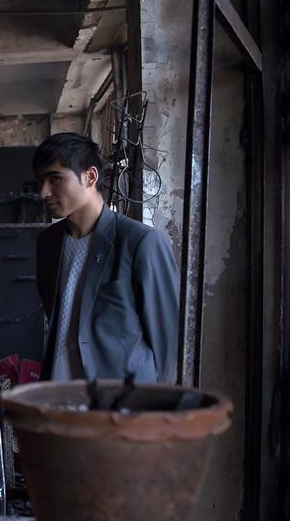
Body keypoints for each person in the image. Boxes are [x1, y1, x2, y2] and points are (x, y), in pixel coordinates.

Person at [32, 133, 180, 383]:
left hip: (122, 397)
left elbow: (168, 343)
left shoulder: (140, 241)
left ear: (90, 176)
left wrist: (155, 406)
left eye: (55, 178)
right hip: (60, 391)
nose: (44, 192)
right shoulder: (48, 243)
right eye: (40, 181)